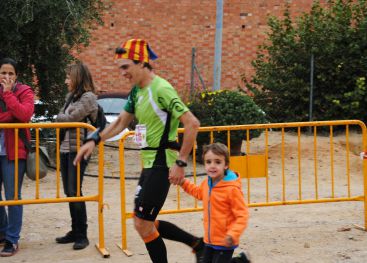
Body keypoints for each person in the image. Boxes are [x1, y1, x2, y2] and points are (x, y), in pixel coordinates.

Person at [74, 39, 203, 262]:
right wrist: (94, 139)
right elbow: (120, 123)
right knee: (143, 222)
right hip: (149, 163)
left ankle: (198, 245)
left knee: (143, 223)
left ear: (142, 63)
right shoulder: (136, 92)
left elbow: (192, 123)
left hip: (162, 163)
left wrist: (181, 163)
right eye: (120, 68)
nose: (122, 73)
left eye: (126, 67)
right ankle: (198, 245)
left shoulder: (161, 89)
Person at [178, 143, 250, 263]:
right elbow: (198, 192)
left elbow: (243, 215)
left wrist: (233, 233)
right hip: (209, 239)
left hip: (225, 240)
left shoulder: (232, 189)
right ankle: (241, 261)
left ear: (226, 165)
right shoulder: (207, 183)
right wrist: (183, 183)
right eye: (208, 162)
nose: (212, 166)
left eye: (217, 162)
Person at [55, 62, 98, 250]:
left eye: (68, 77)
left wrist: (62, 116)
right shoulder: (70, 97)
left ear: (77, 78)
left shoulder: (88, 98)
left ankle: (82, 234)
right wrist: (64, 116)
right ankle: (75, 230)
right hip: (66, 149)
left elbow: (68, 118)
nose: (66, 81)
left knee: (75, 191)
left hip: (79, 150)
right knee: (69, 192)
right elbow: (65, 116)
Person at [0, 57, 34, 257]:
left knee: (13, 197)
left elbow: (24, 114)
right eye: (3, 73)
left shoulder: (24, 91)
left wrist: (7, 95)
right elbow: (14, 115)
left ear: (16, 76)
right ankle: (3, 232)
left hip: (14, 153)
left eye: (10, 73)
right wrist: (10, 116)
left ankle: (12, 239)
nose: (6, 77)